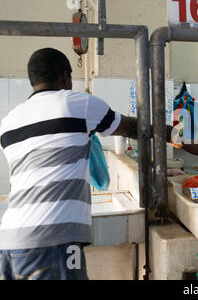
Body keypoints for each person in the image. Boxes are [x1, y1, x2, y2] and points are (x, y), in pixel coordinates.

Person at [0, 48, 172, 280]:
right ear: (65, 76)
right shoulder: (77, 104)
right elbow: (133, 128)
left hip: (9, 242)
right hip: (53, 238)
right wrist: (176, 134)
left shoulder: (8, 122)